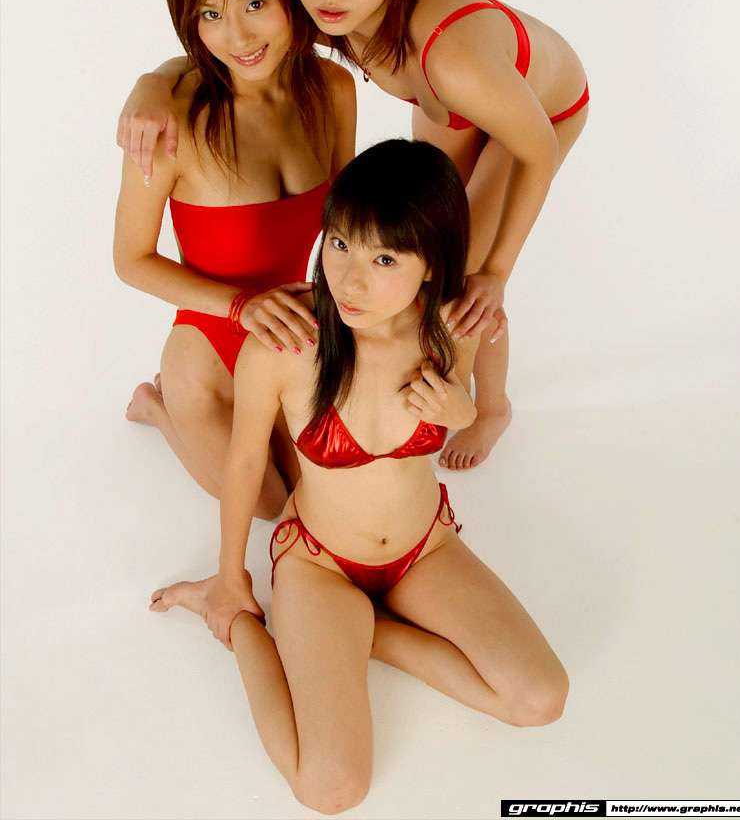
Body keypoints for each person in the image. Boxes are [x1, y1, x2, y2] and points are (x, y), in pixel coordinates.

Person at [117, 0, 590, 472]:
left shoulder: (442, 61)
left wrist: (497, 275)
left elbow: (535, 149)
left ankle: (491, 407)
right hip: (446, 99)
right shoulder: (324, 12)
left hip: (534, 110)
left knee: (457, 273)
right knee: (432, 248)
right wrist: (152, 82)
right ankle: (166, 408)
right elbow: (229, 39)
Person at [149, 140, 569, 816]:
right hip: (321, 565)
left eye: (384, 260)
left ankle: (372, 631)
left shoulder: (452, 329)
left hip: (425, 550)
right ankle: (239, 630)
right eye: (340, 244)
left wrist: (463, 413)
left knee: (539, 699)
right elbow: (246, 463)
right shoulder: (287, 344)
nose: (349, 280)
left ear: (432, 265)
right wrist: (231, 582)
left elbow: (470, 392)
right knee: (330, 789)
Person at [113, 0, 355, 517]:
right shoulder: (169, 121)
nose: (238, 36)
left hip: (294, 336)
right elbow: (131, 260)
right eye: (210, 14)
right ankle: (161, 408)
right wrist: (242, 307)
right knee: (272, 505)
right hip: (210, 350)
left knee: (325, 494)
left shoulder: (331, 89)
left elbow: (347, 226)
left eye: (256, 3)